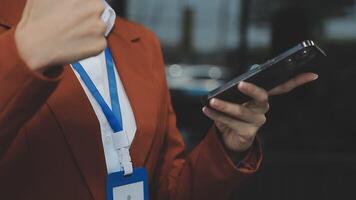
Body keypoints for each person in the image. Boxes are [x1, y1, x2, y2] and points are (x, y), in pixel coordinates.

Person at [0, 0, 318, 199]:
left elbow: (168, 189)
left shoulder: (140, 43)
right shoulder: (13, 35)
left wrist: (227, 145)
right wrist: (25, 51)